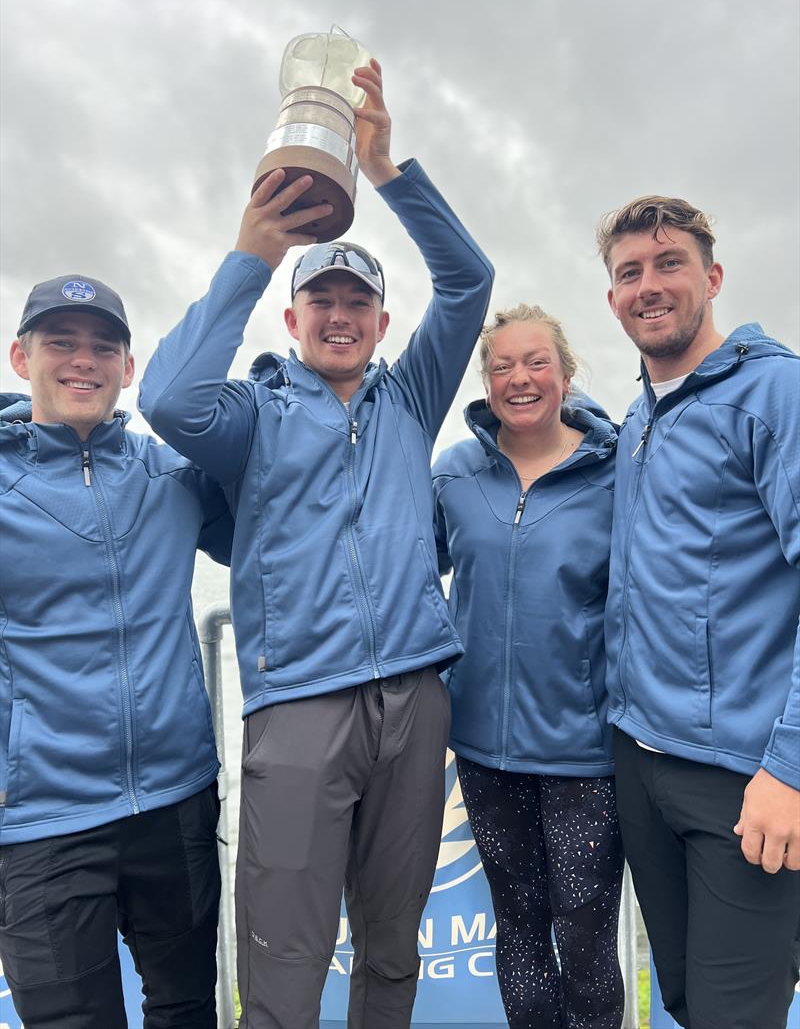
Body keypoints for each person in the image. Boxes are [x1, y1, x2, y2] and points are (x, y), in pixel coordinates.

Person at [138, 60, 493, 1029]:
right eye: (321, 302)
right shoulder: (250, 412)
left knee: (390, 949)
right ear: (292, 319)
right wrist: (252, 250)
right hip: (297, 703)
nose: (339, 316)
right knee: (286, 962)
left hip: (415, 700)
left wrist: (383, 166)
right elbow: (166, 399)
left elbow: (468, 279)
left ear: (381, 322)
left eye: (357, 304)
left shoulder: (411, 399)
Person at [0, 275, 233, 1029]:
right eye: (61, 341)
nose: (84, 360)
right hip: (42, 816)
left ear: (129, 367)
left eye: (104, 346)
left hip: (176, 798)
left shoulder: (171, 474)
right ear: (19, 355)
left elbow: (294, 515)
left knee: (187, 1009)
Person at [598, 196, 800, 1029]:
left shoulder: (774, 390)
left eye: (670, 263)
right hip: (641, 760)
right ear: (612, 297)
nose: (650, 285)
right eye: (629, 272)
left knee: (733, 1014)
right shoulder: (635, 419)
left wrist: (789, 769)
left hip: (745, 771)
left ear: (712, 277)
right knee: (682, 997)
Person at [432, 304, 624, 1029]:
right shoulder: (454, 472)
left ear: (566, 375)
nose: (519, 378)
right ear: (486, 381)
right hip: (483, 746)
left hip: (584, 752)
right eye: (502, 365)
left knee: (584, 933)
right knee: (517, 926)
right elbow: (404, 568)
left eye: (536, 362)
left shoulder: (613, 472)